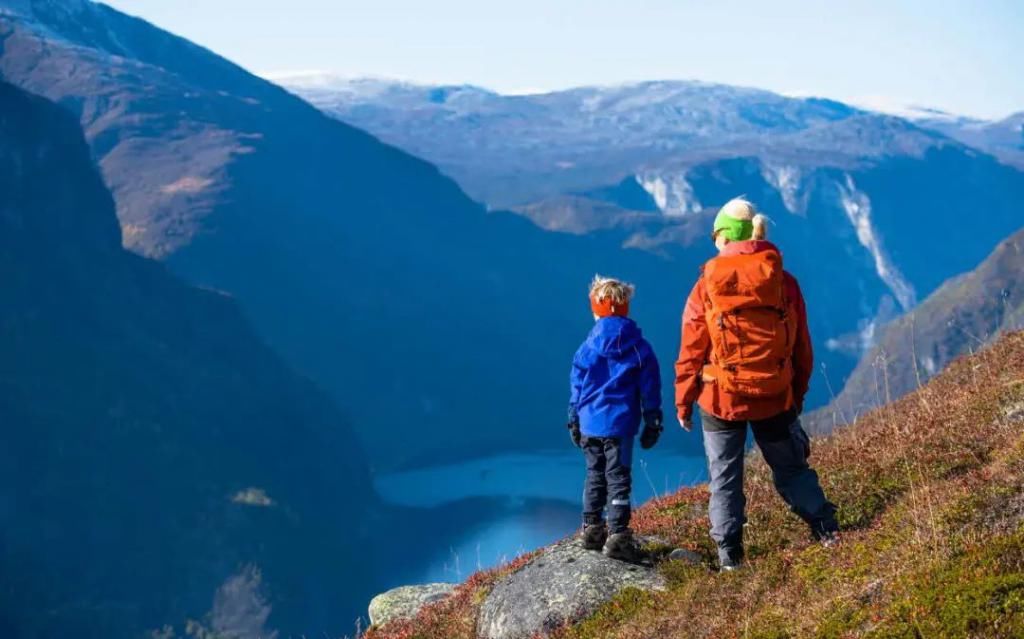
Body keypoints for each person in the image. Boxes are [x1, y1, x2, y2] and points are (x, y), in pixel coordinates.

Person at [675, 198, 838, 572]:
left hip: (720, 398)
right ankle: (826, 529)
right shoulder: (783, 282)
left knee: (725, 479)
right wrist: (794, 394)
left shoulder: (706, 285)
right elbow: (801, 346)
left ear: (722, 237)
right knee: (792, 469)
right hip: (774, 395)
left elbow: (691, 348)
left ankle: (730, 556)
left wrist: (684, 399)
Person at [568, 275, 663, 563]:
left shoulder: (587, 347)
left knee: (595, 475)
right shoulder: (639, 347)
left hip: (589, 422)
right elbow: (650, 386)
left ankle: (592, 528)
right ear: (625, 307)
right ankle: (619, 535)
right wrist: (653, 419)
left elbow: (577, 384)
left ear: (595, 308)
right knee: (618, 478)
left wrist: (574, 418)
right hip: (620, 425)